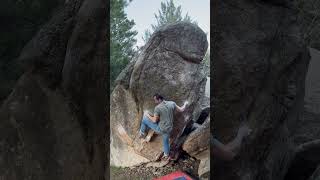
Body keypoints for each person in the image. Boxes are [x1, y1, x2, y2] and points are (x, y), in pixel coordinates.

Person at [139, 93, 188, 161]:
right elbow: (182, 109)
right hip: (169, 128)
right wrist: (185, 104)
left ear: (159, 99)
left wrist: (147, 114)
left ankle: (141, 132)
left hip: (161, 129)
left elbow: (154, 121)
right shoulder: (172, 103)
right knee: (166, 142)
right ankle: (166, 155)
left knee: (144, 119)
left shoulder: (157, 108)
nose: (155, 102)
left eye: (155, 100)